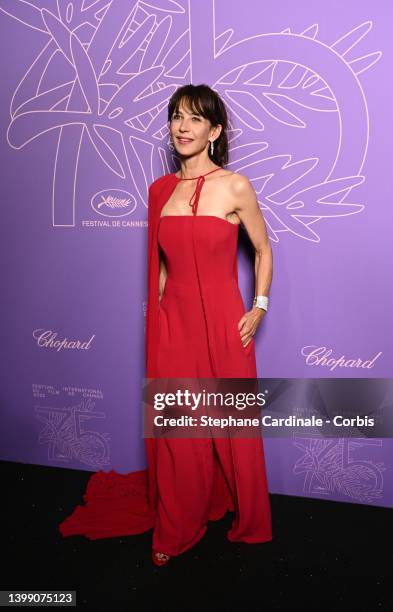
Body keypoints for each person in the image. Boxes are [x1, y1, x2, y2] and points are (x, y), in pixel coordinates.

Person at [59, 84, 273, 567]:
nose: (182, 126)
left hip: (223, 321)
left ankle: (237, 511)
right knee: (179, 426)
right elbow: (158, 265)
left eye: (195, 119)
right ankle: (179, 524)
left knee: (230, 422)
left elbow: (263, 249)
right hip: (173, 322)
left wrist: (258, 306)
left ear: (215, 131)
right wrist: (155, 313)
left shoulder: (236, 185)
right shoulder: (159, 191)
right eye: (177, 116)